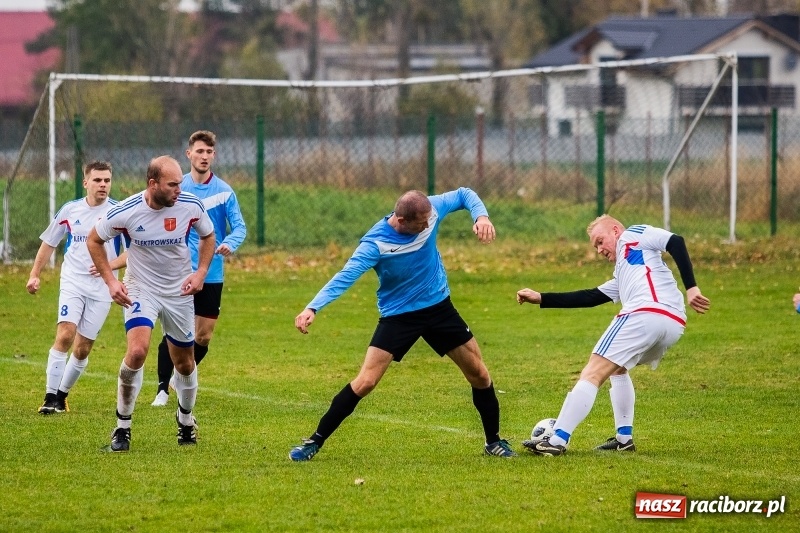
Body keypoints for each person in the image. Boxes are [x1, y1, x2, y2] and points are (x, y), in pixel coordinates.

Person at [290, 188, 516, 461]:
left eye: (427, 221)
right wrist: (313, 306)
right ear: (401, 220)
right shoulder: (375, 244)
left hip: (439, 310)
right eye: (420, 224)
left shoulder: (429, 210)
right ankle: (314, 442)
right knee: (366, 382)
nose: (427, 226)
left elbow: (464, 194)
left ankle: (493, 442)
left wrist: (481, 216)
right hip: (399, 316)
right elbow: (344, 276)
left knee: (479, 375)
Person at [516, 215, 710, 456]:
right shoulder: (626, 272)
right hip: (673, 323)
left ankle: (557, 441)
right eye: (595, 246)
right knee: (618, 369)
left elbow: (675, 241)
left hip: (645, 313)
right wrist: (542, 298)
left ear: (616, 230)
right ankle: (623, 438)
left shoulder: (633, 234)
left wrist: (692, 288)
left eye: (600, 241)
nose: (599, 250)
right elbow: (590, 296)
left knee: (593, 372)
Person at [87, 155, 215, 452]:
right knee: (137, 350)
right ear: (153, 183)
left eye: (180, 184)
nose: (178, 190)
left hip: (179, 291)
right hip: (140, 288)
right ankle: (122, 429)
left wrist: (201, 273)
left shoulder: (190, 205)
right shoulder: (128, 210)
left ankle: (185, 420)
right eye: (172, 185)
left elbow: (208, 236)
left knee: (184, 361)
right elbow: (94, 240)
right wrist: (111, 281)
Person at [151, 130, 246, 407]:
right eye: (199, 151)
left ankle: (180, 376)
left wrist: (230, 243)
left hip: (211, 271)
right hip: (178, 269)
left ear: (213, 156)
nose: (204, 156)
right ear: (188, 154)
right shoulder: (177, 189)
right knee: (174, 330)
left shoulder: (224, 191)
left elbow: (239, 227)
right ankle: (161, 389)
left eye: (209, 152)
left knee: (202, 335)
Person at [27, 160, 126, 414]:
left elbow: (136, 252)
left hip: (103, 286)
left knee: (82, 348)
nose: (103, 185)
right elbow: (49, 242)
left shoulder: (119, 212)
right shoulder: (71, 210)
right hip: (73, 280)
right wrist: (34, 274)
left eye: (107, 180)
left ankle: (62, 396)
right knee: (65, 334)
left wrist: (109, 265)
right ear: (86, 183)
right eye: (97, 180)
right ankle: (50, 397)